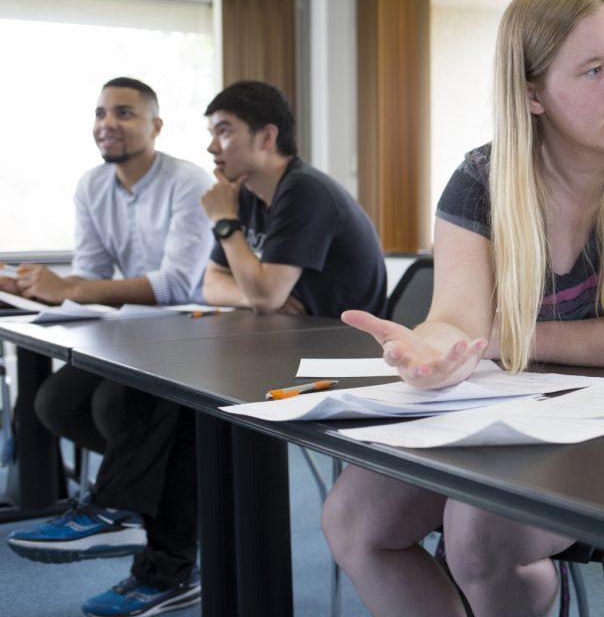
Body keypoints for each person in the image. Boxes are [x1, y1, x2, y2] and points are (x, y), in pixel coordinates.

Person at [321, 0, 604, 617]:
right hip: (525, 410)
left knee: (479, 529)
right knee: (350, 519)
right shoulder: (482, 177)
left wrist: (502, 340)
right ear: (532, 95)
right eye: (595, 70)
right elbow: (457, 319)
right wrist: (433, 353)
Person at [5, 77, 212, 615]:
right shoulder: (91, 186)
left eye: (124, 112)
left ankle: (129, 519)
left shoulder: (188, 182)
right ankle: (131, 506)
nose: (107, 123)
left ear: (155, 126)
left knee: (121, 409)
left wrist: (70, 287)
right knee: (56, 403)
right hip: (137, 328)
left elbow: (175, 285)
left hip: (199, 329)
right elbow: (94, 274)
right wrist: (35, 287)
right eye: (100, 112)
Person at [199, 79, 387, 319]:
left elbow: (266, 297)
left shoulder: (305, 190)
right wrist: (252, 297)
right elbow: (212, 285)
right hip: (292, 334)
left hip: (343, 343)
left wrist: (225, 220)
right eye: (211, 134)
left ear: (267, 137)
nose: (212, 147)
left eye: (224, 132)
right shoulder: (244, 192)